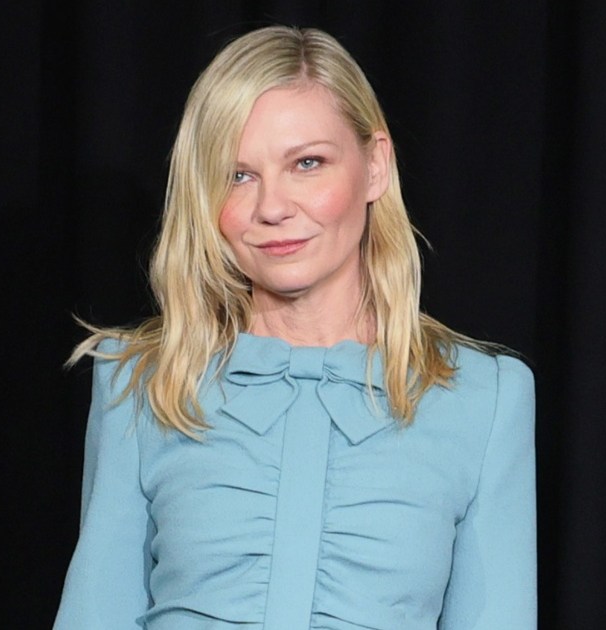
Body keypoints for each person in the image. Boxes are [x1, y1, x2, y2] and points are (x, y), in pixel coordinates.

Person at [53, 25, 535, 630]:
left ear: (376, 165)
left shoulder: (484, 398)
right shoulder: (142, 385)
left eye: (307, 163)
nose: (273, 208)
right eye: (238, 175)